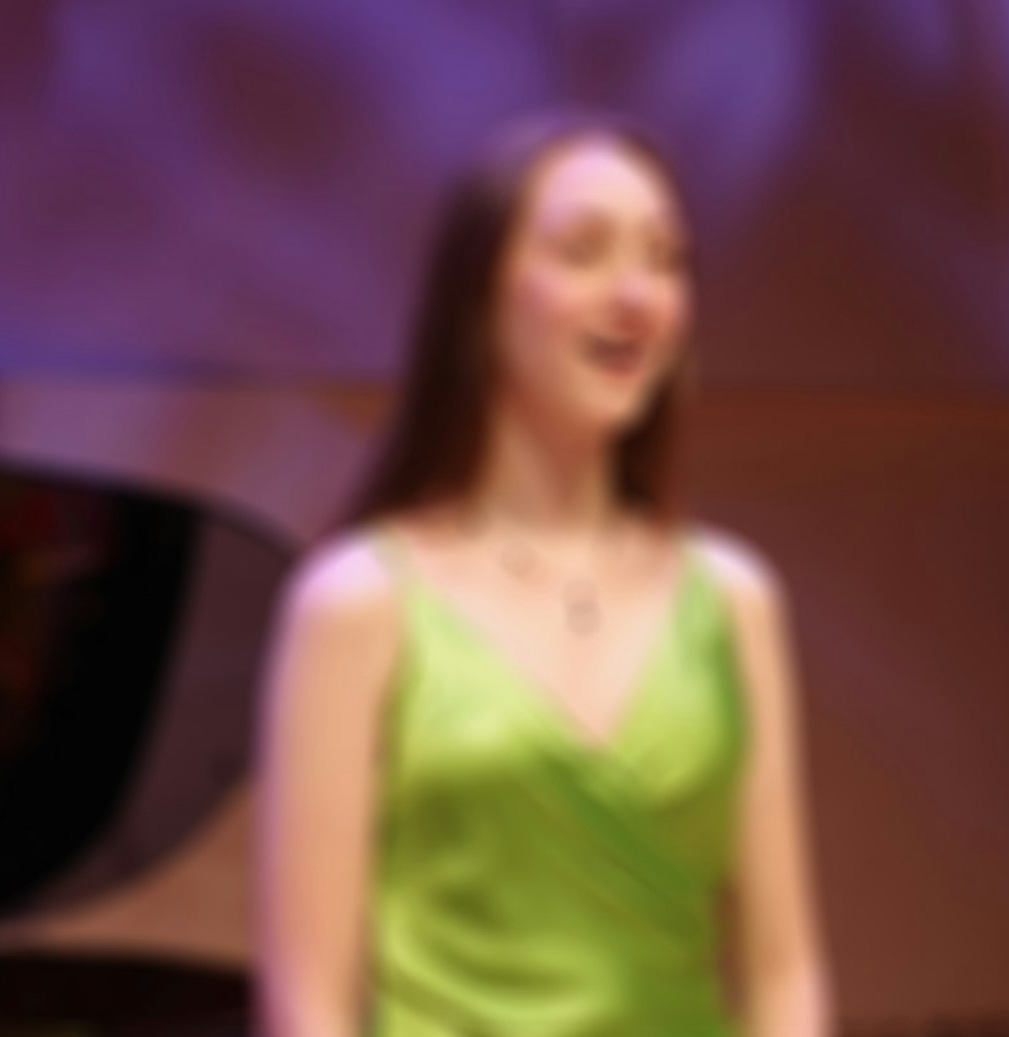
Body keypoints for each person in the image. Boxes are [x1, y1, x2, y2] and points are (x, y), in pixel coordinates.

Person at [254, 115, 829, 1036]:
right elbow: (308, 1003)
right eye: (584, 250)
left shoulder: (732, 598)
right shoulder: (358, 601)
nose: (637, 294)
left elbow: (785, 972)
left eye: (666, 259)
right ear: (480, 293)